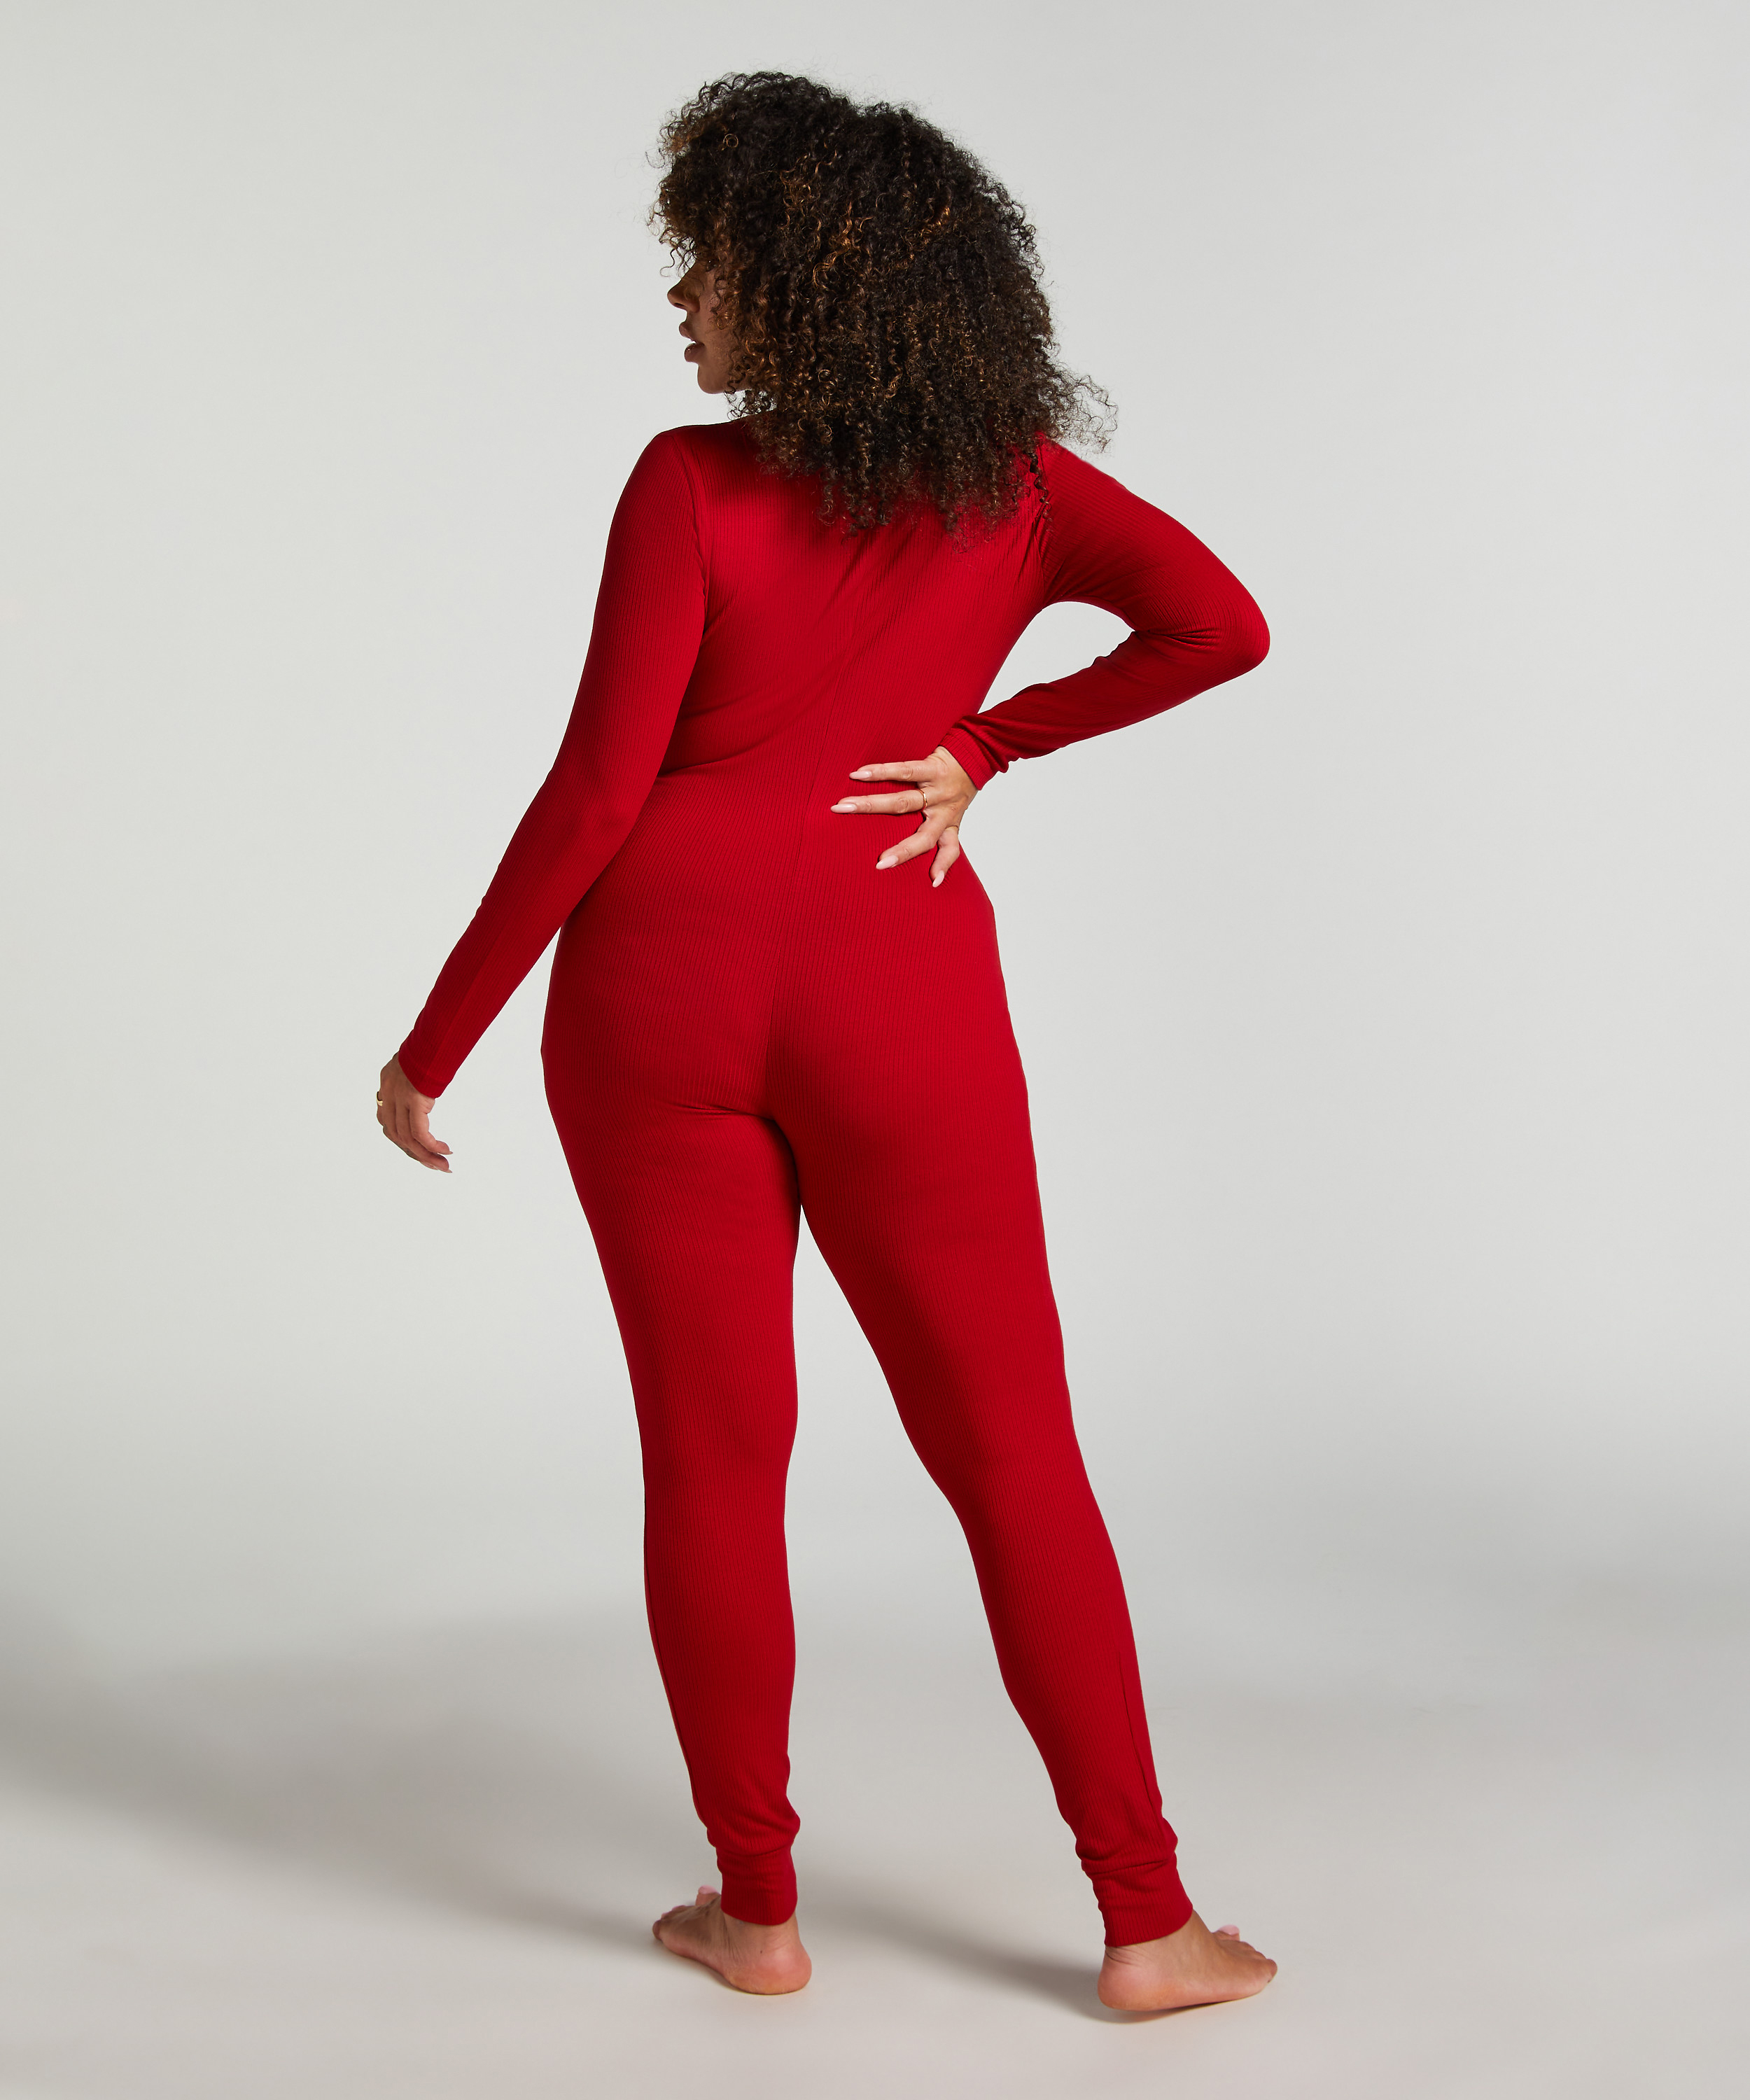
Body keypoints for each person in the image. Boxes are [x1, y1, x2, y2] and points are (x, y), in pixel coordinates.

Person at [375, 72, 1275, 2013]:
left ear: (804, 284)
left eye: (706, 261)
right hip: (898, 993)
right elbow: (1220, 626)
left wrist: (436, 1040)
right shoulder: (1021, 490)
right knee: (1014, 1455)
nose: (679, 297)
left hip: (652, 994)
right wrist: (979, 746)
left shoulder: (685, 484)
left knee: (714, 1460)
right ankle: (1146, 1925)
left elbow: (597, 788)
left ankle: (756, 1914)